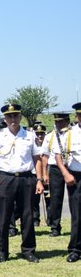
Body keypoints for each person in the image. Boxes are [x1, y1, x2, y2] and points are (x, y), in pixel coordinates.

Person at [0, 104, 44, 263]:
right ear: (5, 118)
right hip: (6, 178)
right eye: (9, 116)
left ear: (20, 117)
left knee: (28, 216)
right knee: (4, 217)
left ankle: (28, 251)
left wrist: (39, 180)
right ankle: (2, 252)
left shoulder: (29, 135)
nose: (13, 119)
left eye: (16, 116)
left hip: (26, 178)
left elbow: (37, 158)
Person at [55, 102, 81, 262]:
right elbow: (58, 155)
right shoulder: (69, 134)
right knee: (77, 215)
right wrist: (65, 174)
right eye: (80, 115)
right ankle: (75, 249)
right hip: (76, 177)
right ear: (77, 116)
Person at [42, 112, 71, 236]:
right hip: (55, 169)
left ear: (67, 121)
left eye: (61, 121)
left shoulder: (73, 134)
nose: (58, 124)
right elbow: (45, 156)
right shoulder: (50, 136)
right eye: (56, 122)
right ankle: (55, 227)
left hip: (71, 168)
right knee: (55, 198)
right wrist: (45, 174)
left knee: (75, 198)